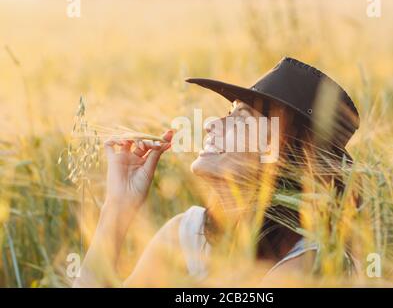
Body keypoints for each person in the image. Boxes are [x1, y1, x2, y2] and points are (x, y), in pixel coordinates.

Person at [73, 57, 360, 287]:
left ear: (285, 151)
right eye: (228, 114)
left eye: (241, 119)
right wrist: (118, 207)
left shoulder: (305, 267)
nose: (211, 125)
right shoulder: (187, 233)